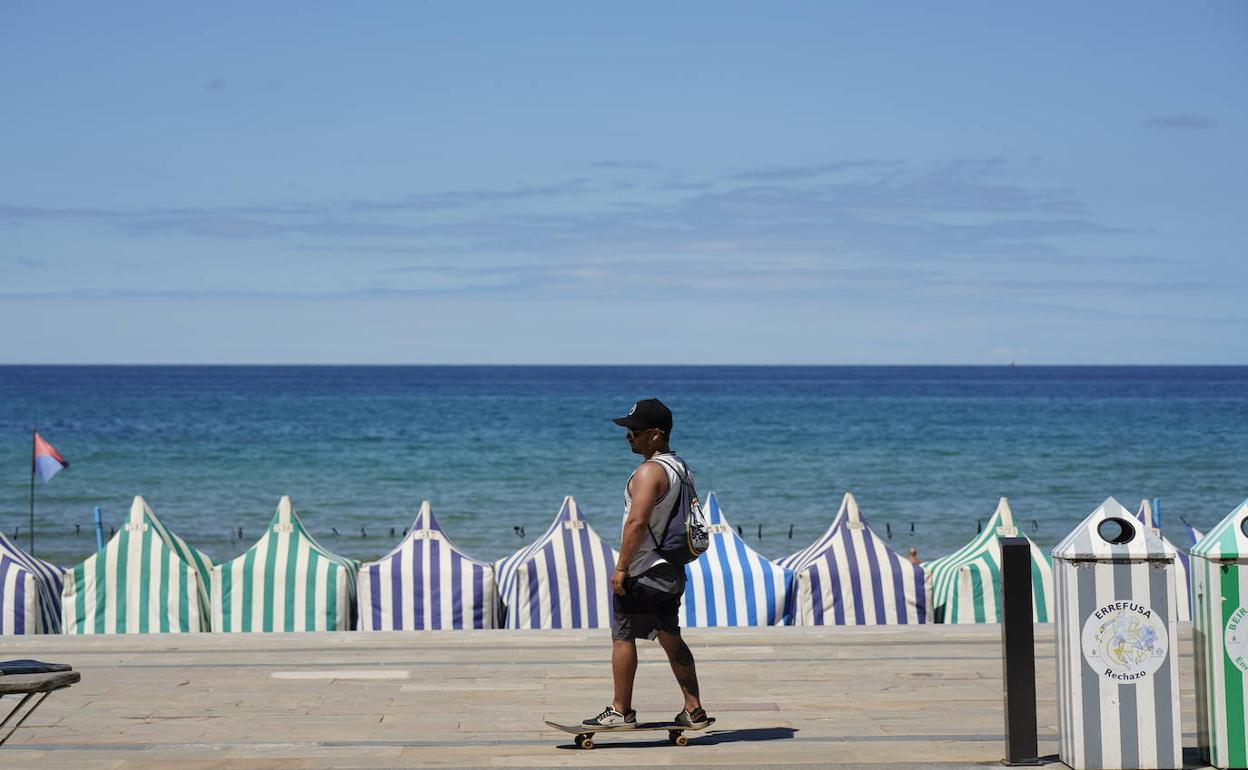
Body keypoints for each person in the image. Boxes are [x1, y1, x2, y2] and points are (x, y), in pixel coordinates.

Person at [582, 398, 709, 730]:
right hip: (671, 569)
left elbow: (637, 522)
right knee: (670, 635)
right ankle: (694, 709)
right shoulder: (680, 467)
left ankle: (620, 710)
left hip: (644, 570)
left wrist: (622, 568)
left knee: (623, 635)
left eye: (634, 431)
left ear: (655, 434)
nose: (629, 437)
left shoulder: (649, 471)